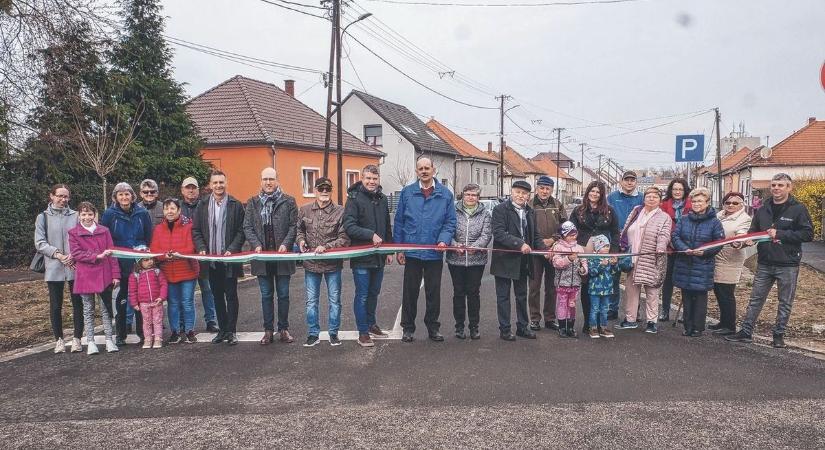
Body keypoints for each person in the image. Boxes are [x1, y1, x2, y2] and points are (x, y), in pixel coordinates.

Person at [727, 173, 814, 348]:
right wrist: (745, 242)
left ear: (789, 187)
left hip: (788, 263)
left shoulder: (798, 209)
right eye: (773, 185)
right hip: (765, 262)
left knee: (785, 301)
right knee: (756, 299)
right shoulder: (763, 208)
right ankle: (746, 331)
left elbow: (808, 234)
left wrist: (781, 234)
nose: (776, 188)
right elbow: (753, 232)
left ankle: (779, 335)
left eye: (780, 185)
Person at [395, 157, 456, 343]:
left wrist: (444, 240)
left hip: (434, 252)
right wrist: (399, 249)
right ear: (416, 171)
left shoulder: (445, 194)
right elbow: (399, 222)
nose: (424, 171)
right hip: (412, 251)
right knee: (410, 292)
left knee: (433, 292)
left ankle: (433, 328)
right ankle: (407, 328)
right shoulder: (407, 193)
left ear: (433, 169)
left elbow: (450, 222)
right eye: (420, 168)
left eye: (427, 168)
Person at [243, 168, 297, 345]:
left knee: (283, 294)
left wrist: (286, 244)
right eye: (265, 179)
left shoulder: (289, 201)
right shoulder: (252, 203)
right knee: (266, 295)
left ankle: (283, 329)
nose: (268, 182)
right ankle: (268, 330)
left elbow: (293, 226)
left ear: (277, 180)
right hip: (262, 258)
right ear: (261, 181)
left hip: (282, 256)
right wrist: (256, 245)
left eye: (271, 179)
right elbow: (247, 227)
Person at [193, 170, 246, 346]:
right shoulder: (202, 205)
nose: (218, 186)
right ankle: (222, 330)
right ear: (210, 184)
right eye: (215, 182)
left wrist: (232, 249)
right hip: (211, 261)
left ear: (226, 183)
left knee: (231, 295)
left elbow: (241, 231)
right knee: (216, 295)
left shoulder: (235, 205)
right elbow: (197, 230)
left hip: (229, 260)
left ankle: (232, 331)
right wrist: (201, 248)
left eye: (221, 182)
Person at [343, 164, 394, 348]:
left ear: (378, 179)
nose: (371, 182)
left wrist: (389, 250)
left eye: (374, 178)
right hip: (362, 258)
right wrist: (370, 234)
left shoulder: (381, 199)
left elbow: (387, 226)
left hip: (379, 257)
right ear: (362, 179)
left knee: (374, 293)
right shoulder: (353, 199)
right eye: (368, 179)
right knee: (362, 295)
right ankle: (363, 332)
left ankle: (372, 325)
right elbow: (349, 226)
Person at [296, 177, 350, 347]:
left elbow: (344, 238)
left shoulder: (341, 211)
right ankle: (313, 333)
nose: (324, 192)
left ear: (331, 190)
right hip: (311, 264)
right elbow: (299, 230)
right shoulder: (304, 210)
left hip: (333, 264)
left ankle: (333, 333)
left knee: (334, 300)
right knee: (311, 301)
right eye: (321, 189)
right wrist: (301, 241)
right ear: (315, 191)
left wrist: (326, 247)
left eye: (327, 189)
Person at [100, 182, 153, 346]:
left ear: (132, 196)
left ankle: (143, 333)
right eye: (121, 194)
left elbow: (148, 235)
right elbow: (104, 237)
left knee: (141, 297)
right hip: (119, 263)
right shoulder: (109, 214)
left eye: (127, 194)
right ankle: (121, 333)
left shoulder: (142, 213)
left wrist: (145, 255)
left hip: (138, 262)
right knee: (121, 298)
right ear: (115, 197)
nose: (124, 197)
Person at [491, 180, 542, 341]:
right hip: (504, 260)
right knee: (503, 296)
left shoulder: (530, 211)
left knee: (521, 295)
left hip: (523, 261)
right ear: (512, 192)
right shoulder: (500, 209)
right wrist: (519, 244)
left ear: (528, 195)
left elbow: (535, 236)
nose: (521, 195)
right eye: (518, 192)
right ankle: (505, 329)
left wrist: (546, 251)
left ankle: (522, 327)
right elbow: (498, 233)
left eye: (524, 193)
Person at [616, 187, 672, 334]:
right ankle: (630, 319)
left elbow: (664, 235)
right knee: (631, 291)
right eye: (648, 196)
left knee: (652, 292)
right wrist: (621, 245)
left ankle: (651, 322)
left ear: (660, 200)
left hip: (651, 259)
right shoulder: (636, 211)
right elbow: (626, 228)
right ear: (644, 198)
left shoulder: (664, 217)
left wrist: (660, 247)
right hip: (632, 259)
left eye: (655, 196)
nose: (651, 199)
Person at [34, 184, 82, 354]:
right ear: (51, 196)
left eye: (66, 197)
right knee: (55, 305)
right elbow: (40, 242)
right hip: (53, 266)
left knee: (78, 303)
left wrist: (73, 255)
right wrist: (58, 255)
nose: (63, 200)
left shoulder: (76, 216)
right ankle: (59, 340)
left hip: (75, 266)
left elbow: (82, 238)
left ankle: (77, 338)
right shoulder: (43, 217)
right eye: (60, 196)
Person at [671, 187, 725, 337]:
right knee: (686, 295)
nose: (696, 203)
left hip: (703, 264)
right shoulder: (683, 219)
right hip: (685, 262)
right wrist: (684, 248)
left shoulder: (715, 222)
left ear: (707, 202)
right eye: (693, 201)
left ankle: (698, 327)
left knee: (700, 297)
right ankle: (687, 326)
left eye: (700, 201)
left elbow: (719, 242)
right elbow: (675, 237)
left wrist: (705, 252)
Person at [68, 202, 119, 355]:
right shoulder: (73, 233)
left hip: (104, 275)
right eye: (83, 214)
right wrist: (96, 256)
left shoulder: (104, 231)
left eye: (90, 214)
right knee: (88, 309)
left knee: (105, 308)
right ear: (79, 216)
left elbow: (112, 253)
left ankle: (109, 339)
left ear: (95, 215)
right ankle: (90, 341)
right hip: (85, 276)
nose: (87, 217)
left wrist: (116, 275)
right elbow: (76, 253)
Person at [570, 180, 620, 335]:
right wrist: (571, 249)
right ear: (588, 192)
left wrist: (613, 252)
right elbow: (571, 230)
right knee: (587, 288)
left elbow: (615, 232)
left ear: (602, 195)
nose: (594, 194)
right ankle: (588, 323)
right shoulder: (578, 210)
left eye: (598, 192)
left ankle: (601, 323)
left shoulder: (609, 211)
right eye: (592, 191)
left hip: (603, 254)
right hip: (584, 252)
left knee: (604, 288)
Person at [150, 198, 200, 344]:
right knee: (173, 303)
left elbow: (191, 247)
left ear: (179, 210)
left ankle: (190, 330)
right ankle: (175, 331)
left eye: (173, 208)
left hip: (187, 271)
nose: (170, 211)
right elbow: (154, 250)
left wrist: (177, 254)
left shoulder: (189, 226)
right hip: (168, 272)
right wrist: (165, 255)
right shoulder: (158, 229)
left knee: (187, 302)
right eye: (166, 209)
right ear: (163, 211)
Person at [446, 183, 492, 340]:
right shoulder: (452, 211)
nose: (471, 198)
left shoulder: (485, 214)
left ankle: (474, 326)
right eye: (468, 194)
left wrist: (476, 246)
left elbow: (486, 235)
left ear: (478, 197)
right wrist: (454, 245)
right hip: (456, 260)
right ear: (462, 195)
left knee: (473, 293)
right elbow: (447, 230)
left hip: (476, 261)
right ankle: (459, 326)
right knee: (458, 293)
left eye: (474, 195)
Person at [180, 176, 218, 333]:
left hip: (203, 253)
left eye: (193, 188)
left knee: (207, 289)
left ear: (198, 190)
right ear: (182, 190)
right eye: (188, 188)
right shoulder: (177, 207)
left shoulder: (205, 205)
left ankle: (211, 319)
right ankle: (184, 323)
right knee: (185, 292)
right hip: (184, 256)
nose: (191, 190)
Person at [710, 192, 752, 336]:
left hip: (730, 259)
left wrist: (738, 242)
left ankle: (730, 325)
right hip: (717, 257)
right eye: (728, 203)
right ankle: (723, 321)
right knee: (718, 290)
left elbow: (743, 233)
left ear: (741, 204)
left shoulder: (744, 219)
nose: (731, 205)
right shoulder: (719, 215)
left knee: (727, 293)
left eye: (735, 203)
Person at [529, 175, 565, 331]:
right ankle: (535, 319)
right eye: (542, 188)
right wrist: (538, 243)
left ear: (552, 189)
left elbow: (565, 227)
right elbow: (525, 227)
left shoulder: (558, 205)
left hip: (553, 250)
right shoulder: (529, 205)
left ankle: (550, 318)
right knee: (534, 286)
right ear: (537, 188)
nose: (544, 191)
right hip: (535, 252)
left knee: (552, 287)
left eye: (547, 188)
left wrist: (553, 240)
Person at [606, 170, 643, 319]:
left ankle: (634, 311)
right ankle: (612, 309)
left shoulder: (642, 198)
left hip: (634, 244)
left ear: (636, 182)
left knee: (634, 279)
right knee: (613, 277)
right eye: (626, 180)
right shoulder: (612, 197)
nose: (629, 182)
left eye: (632, 180)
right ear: (621, 181)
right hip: (615, 243)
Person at [586, 235, 631, 339]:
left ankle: (603, 327)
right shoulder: (592, 258)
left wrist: (614, 264)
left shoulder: (609, 257)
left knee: (605, 309)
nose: (606, 248)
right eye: (604, 246)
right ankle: (593, 328)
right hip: (595, 289)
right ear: (597, 247)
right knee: (594, 309)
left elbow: (614, 272)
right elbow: (592, 272)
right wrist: (602, 265)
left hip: (607, 289)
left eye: (608, 246)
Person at [659, 178, 692, 321]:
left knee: (685, 280)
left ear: (685, 191)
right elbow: (660, 225)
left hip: (685, 248)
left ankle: (686, 312)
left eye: (680, 189)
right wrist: (669, 241)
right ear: (670, 190)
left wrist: (684, 244)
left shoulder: (691, 205)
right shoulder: (664, 205)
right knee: (668, 281)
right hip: (669, 248)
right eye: (675, 189)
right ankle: (665, 311)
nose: (677, 192)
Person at [551, 221, 587, 338]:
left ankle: (570, 327)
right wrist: (569, 259)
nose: (573, 236)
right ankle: (562, 327)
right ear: (563, 235)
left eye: (574, 233)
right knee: (562, 304)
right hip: (562, 283)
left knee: (572, 305)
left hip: (575, 283)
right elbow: (557, 263)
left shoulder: (579, 248)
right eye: (569, 234)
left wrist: (583, 270)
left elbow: (584, 262)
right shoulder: (558, 247)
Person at [128, 257, 168, 349]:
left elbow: (163, 284)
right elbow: (132, 290)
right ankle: (148, 339)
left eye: (151, 259)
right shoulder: (135, 275)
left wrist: (161, 297)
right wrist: (134, 303)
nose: (150, 261)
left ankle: (158, 338)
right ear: (139, 262)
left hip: (156, 301)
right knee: (146, 322)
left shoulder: (157, 272)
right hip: (143, 303)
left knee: (158, 321)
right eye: (146, 260)